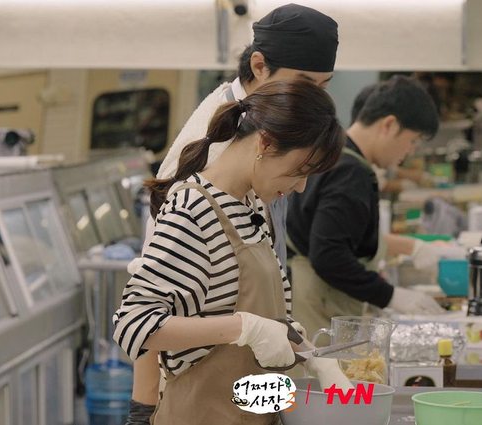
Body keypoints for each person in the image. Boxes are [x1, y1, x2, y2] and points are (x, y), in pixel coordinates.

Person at [123, 4, 339, 423]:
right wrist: (144, 407)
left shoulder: (253, 187)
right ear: (258, 66)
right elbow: (145, 306)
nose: (314, 99)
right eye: (304, 84)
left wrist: (300, 355)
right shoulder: (208, 175)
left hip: (245, 402)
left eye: (323, 86)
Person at [287, 76, 456, 336]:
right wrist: (390, 295)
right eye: (413, 140)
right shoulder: (350, 172)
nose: (410, 151)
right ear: (389, 125)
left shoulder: (335, 154)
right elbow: (329, 255)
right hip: (315, 308)